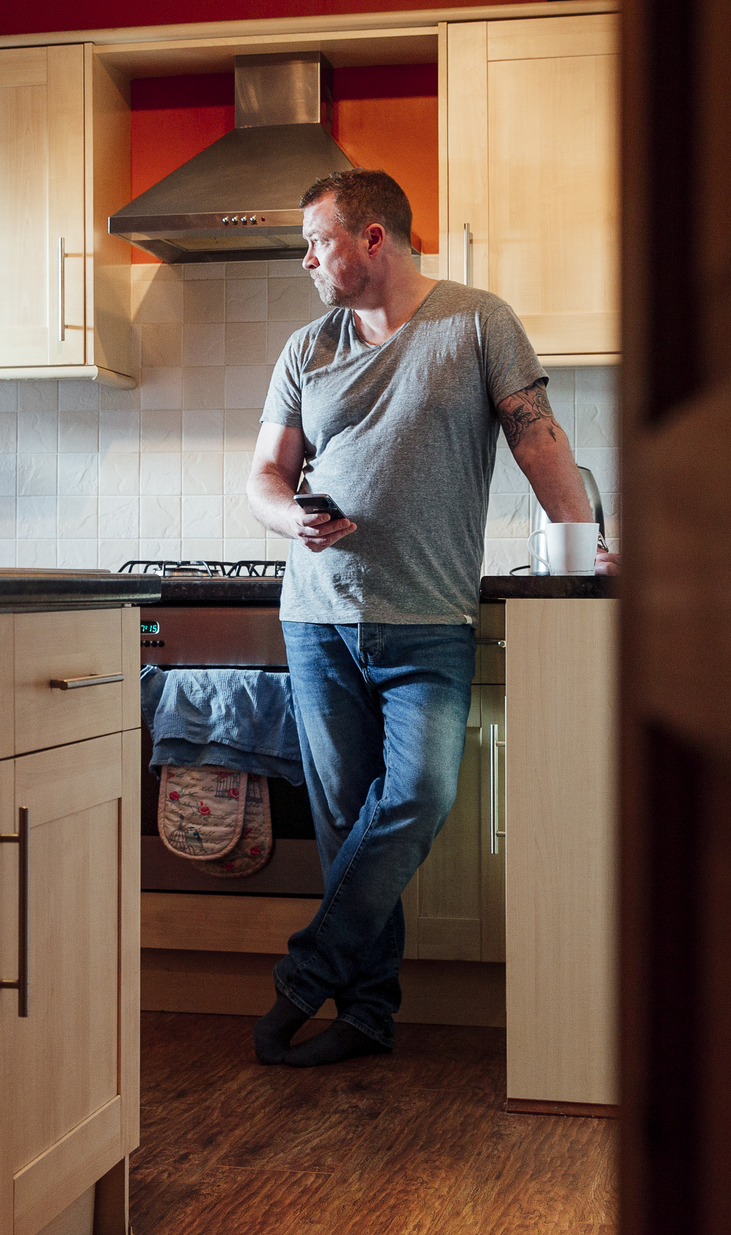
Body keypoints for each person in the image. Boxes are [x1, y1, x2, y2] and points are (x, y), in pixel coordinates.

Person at [245, 168, 601, 1067]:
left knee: (417, 795)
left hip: (429, 616)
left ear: (373, 238)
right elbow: (264, 476)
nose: (307, 260)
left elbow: (537, 437)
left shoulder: (477, 321)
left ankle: (305, 973)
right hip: (318, 619)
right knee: (343, 824)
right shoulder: (307, 347)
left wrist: (586, 540)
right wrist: (293, 518)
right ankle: (365, 1014)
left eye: (318, 241)